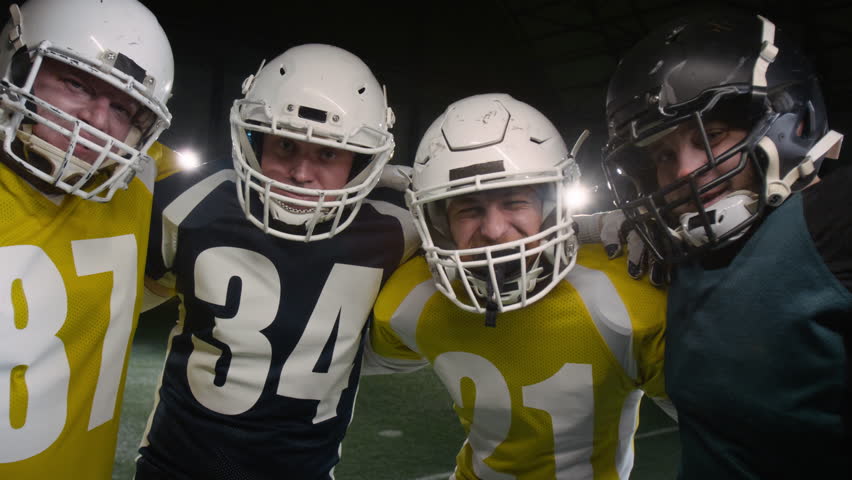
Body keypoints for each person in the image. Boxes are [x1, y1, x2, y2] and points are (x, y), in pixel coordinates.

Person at [134, 43, 418, 479]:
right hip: (177, 466)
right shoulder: (195, 199)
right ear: (255, 137)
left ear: (363, 161)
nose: (302, 173)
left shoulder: (398, 228)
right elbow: (124, 298)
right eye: (285, 145)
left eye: (327, 153)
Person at [364, 93, 673, 479]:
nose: (494, 231)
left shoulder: (628, 296)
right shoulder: (412, 298)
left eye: (514, 202)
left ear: (551, 206)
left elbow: (734, 432)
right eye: (470, 209)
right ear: (438, 223)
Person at [602, 10, 851, 478]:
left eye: (711, 137)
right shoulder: (678, 243)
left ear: (788, 122)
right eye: (663, 155)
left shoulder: (833, 217)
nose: (683, 173)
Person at [0, 0, 178, 478]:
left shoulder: (140, 175)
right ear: (16, 67)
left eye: (122, 107)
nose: (97, 122)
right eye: (76, 83)